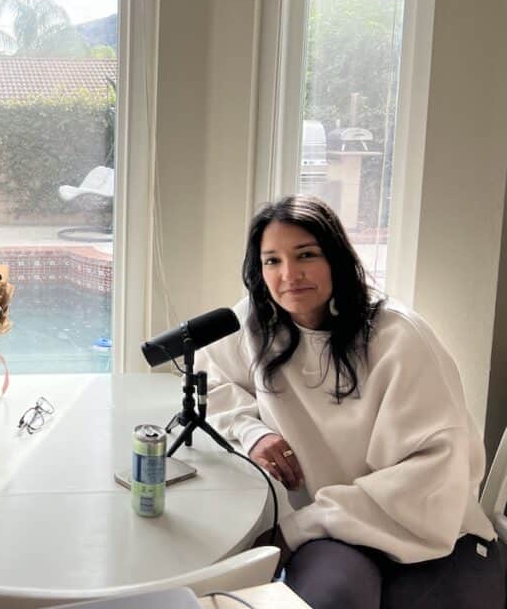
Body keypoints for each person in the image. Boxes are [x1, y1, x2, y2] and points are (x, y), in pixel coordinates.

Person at [196, 195, 505, 609]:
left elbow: (432, 477)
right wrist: (252, 432)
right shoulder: (257, 323)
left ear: (336, 259)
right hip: (337, 535)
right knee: (333, 597)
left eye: (306, 254)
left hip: (431, 530)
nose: (289, 274)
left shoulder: (398, 338)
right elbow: (207, 376)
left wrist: (298, 527)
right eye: (272, 261)